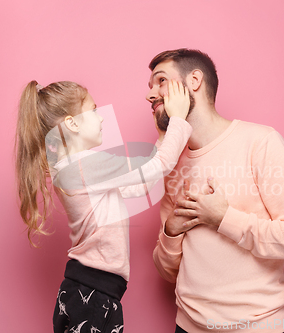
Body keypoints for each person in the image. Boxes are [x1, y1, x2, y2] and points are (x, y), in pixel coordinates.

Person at [148, 49, 284, 333]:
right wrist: (171, 231)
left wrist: (223, 218)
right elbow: (168, 271)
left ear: (194, 80)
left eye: (161, 81)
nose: (151, 94)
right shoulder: (171, 165)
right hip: (188, 327)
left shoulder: (260, 142)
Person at [14, 80, 192, 333]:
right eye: (94, 110)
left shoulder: (72, 167)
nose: (101, 119)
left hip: (94, 290)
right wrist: (178, 119)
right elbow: (159, 166)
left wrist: (164, 136)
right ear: (72, 123)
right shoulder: (83, 167)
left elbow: (138, 187)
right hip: (92, 292)